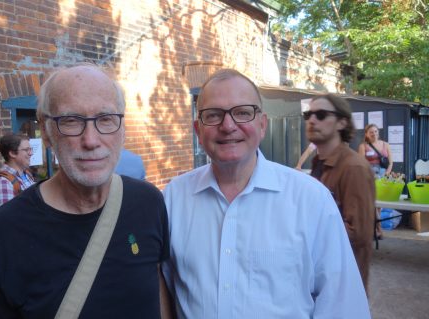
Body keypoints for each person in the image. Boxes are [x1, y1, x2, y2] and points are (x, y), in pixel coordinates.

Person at [0, 63, 171, 318]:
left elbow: (157, 286)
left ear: (122, 129)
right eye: (71, 121)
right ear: (47, 134)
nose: (91, 141)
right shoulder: (7, 229)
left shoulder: (149, 203)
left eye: (105, 119)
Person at [162, 69, 370, 318]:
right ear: (198, 129)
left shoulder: (311, 200)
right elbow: (164, 291)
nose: (228, 126)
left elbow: (343, 306)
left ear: (262, 125)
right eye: (213, 115)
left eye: (242, 113)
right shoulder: (174, 198)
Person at [305, 94, 375, 291]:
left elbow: (359, 233)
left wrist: (302, 228)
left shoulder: (354, 167)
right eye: (308, 114)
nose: (311, 120)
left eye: (321, 115)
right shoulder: (319, 163)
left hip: (341, 284)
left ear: (341, 122)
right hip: (318, 277)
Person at [358, 123, 393, 239]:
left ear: (378, 132)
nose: (374, 134)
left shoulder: (385, 144)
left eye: (376, 131)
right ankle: (379, 230)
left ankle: (376, 229)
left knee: (379, 205)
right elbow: (361, 164)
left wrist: (387, 174)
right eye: (371, 132)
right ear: (367, 134)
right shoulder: (363, 146)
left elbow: (391, 162)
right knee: (373, 204)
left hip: (383, 177)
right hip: (369, 177)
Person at [0, 133, 35, 214]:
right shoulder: (2, 183)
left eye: (30, 149)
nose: (31, 153)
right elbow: (5, 222)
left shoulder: (27, 175)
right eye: (27, 150)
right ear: (12, 153)